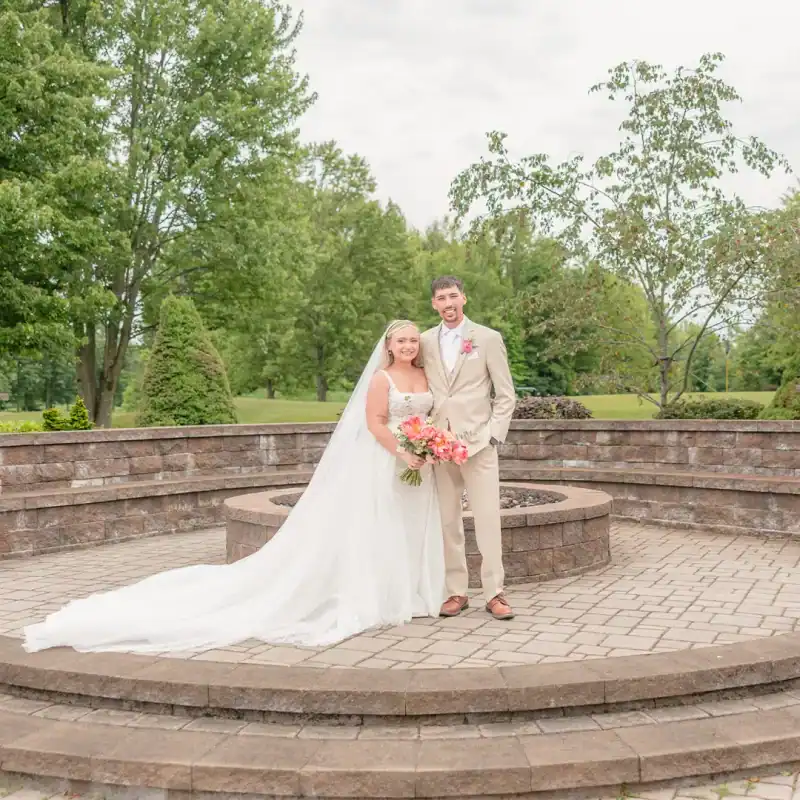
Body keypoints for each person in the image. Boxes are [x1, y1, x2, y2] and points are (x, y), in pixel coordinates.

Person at [22, 321, 445, 654]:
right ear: (389, 346)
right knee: (379, 526)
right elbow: (373, 423)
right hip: (384, 461)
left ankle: (410, 594)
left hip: (418, 463)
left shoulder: (425, 375)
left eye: (412, 340)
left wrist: (425, 448)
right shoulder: (380, 380)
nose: (408, 346)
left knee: (409, 526)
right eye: (401, 340)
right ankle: (378, 598)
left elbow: (429, 417)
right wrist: (403, 453)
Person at [421, 276, 517, 621]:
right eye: (440, 298)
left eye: (452, 296)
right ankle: (456, 592)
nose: (447, 303)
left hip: (478, 444)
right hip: (439, 446)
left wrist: (493, 435)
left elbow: (506, 395)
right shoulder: (424, 342)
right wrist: (423, 437)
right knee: (448, 521)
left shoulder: (488, 339)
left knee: (488, 519)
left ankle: (494, 593)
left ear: (464, 298)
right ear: (433, 304)